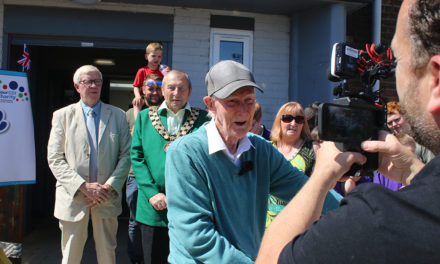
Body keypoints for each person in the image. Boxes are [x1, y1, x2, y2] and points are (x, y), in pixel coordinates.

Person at [256, 0, 440, 263]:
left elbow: (270, 259)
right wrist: (414, 172)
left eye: (398, 61)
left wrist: (320, 177)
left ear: (436, 80)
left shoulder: (376, 219)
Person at [165, 60, 342, 263]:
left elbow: (306, 191)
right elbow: (197, 238)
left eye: (249, 101)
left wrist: (356, 212)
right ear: (210, 104)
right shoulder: (185, 153)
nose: (243, 111)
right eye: (232, 101)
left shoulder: (260, 150)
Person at [47, 65, 131, 264]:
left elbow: (127, 155)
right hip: (74, 197)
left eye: (97, 82)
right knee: (70, 256)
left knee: (108, 255)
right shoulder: (62, 116)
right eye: (88, 82)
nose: (93, 86)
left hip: (106, 196)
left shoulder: (117, 115)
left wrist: (108, 186)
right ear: (77, 86)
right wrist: (82, 186)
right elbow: (55, 158)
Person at [131, 70, 210, 264]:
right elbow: (136, 157)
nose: (176, 93)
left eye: (181, 88)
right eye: (171, 88)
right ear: (163, 90)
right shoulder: (143, 118)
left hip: (190, 208)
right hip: (153, 209)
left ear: (190, 91)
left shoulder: (204, 120)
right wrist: (151, 193)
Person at [125, 74, 164, 264]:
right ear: (143, 90)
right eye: (150, 87)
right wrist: (137, 111)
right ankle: (136, 258)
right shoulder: (131, 114)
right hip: (135, 175)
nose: (154, 91)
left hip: (158, 180)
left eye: (159, 87)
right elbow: (132, 143)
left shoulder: (168, 115)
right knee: (135, 221)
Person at [266, 102, 315, 228]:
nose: (293, 123)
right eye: (288, 118)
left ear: (303, 124)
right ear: (279, 121)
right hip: (264, 225)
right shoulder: (266, 149)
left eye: (299, 120)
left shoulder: (312, 150)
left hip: (297, 224)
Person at [132, 43, 167, 119]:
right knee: (137, 105)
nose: (156, 59)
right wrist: (137, 96)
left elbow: (168, 85)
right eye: (153, 56)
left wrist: (169, 74)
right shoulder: (142, 71)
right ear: (146, 56)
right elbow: (136, 86)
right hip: (145, 100)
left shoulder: (163, 71)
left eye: (159, 56)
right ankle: (138, 122)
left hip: (159, 99)